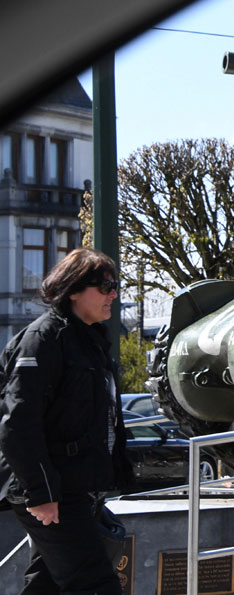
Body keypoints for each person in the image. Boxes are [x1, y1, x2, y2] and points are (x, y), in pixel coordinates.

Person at [0, 248, 133, 595]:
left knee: (46, 586)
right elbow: (18, 423)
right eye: (105, 286)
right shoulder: (43, 339)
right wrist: (40, 492)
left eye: (115, 285)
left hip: (77, 488)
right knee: (97, 585)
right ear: (74, 289)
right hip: (51, 489)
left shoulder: (90, 341)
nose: (114, 294)